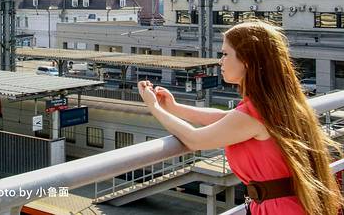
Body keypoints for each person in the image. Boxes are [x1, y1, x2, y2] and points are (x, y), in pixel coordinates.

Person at [138, 20, 342, 214]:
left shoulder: (255, 112)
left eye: (225, 54)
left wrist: (154, 107)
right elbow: (225, 118)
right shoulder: (275, 102)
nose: (220, 61)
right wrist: (174, 107)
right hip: (287, 205)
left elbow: (195, 139)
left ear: (247, 61)